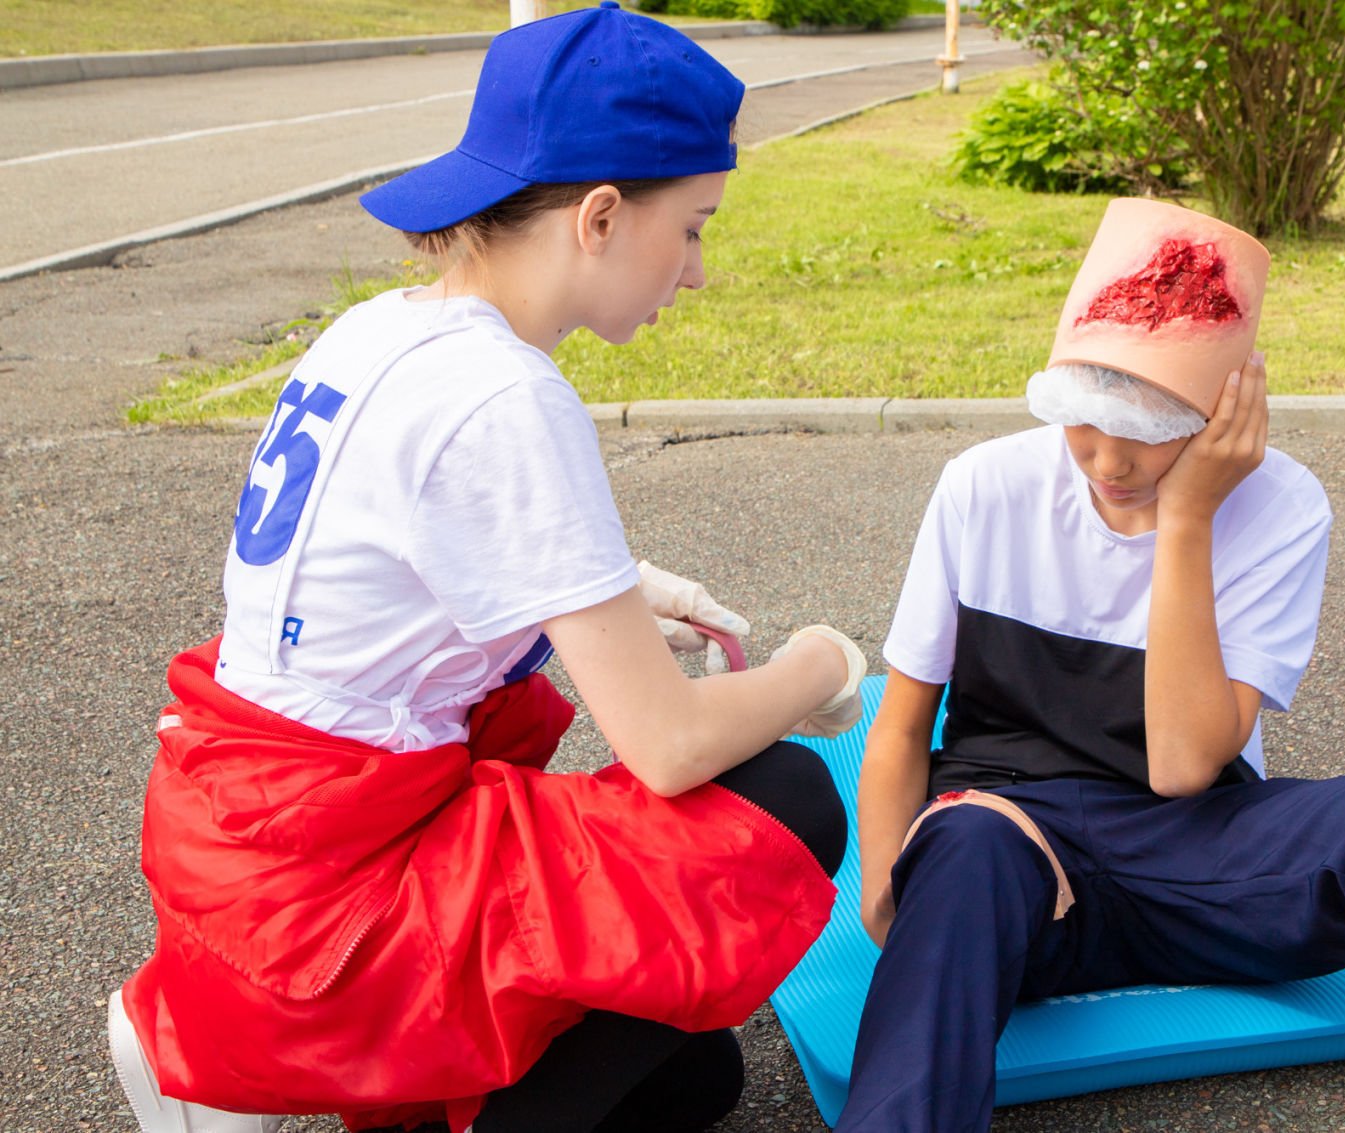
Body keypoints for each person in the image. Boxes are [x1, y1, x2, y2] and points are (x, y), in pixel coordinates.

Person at [105, 7, 862, 1132]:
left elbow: (390, 554)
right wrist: (820, 665)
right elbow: (668, 745)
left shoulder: (382, 328)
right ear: (600, 216)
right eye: (693, 228)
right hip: (342, 886)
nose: (697, 272)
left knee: (695, 1078)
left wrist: (616, 586)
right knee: (784, 800)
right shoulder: (507, 394)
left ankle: (328, 1063)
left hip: (251, 831)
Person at [837, 198, 1345, 1133]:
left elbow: (1182, 766)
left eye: (1146, 430)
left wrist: (1188, 517)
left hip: (1201, 851)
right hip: (1014, 852)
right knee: (963, 844)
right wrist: (888, 895)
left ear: (1222, 410)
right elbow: (902, 726)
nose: (1108, 460)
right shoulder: (984, 485)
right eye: (1083, 423)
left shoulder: (1282, 506)